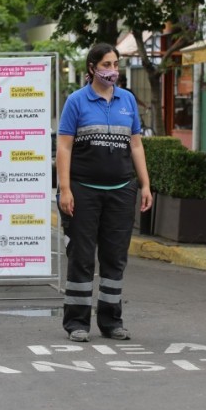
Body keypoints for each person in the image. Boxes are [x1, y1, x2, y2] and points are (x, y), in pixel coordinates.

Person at [56, 42, 153, 342]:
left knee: (114, 257)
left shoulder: (127, 101)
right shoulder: (76, 101)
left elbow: (135, 144)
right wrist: (65, 189)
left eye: (115, 65)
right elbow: (64, 146)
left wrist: (145, 184)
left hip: (121, 190)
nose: (113, 70)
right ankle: (77, 323)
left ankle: (112, 322)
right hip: (84, 191)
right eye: (107, 65)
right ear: (92, 68)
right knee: (82, 256)